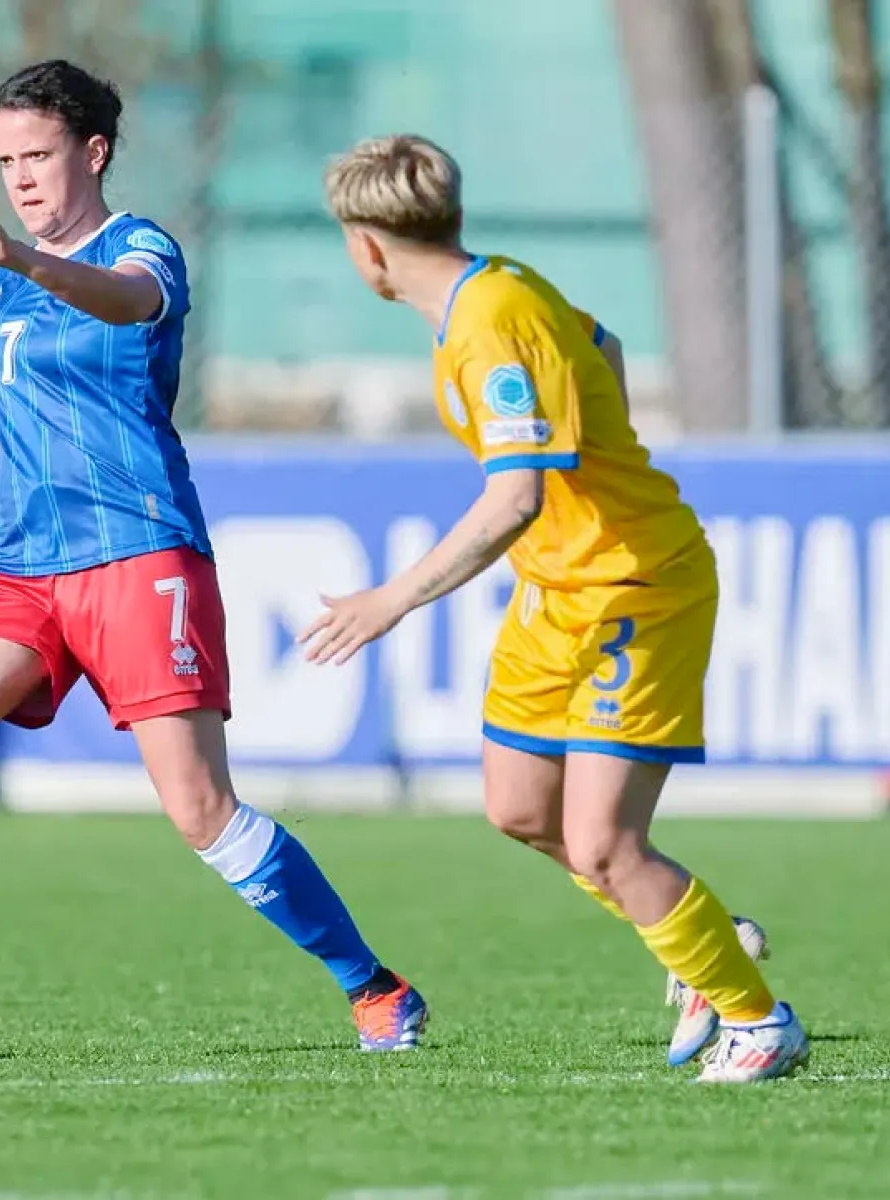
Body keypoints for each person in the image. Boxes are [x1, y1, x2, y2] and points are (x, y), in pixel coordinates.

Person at [0, 61, 427, 1052]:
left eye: (38, 155)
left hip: (136, 552)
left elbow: (125, 303)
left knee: (201, 810)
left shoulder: (138, 248)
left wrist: (16, 262)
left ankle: (373, 986)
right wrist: (11, 264)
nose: (21, 178)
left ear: (94, 150)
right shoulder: (12, 279)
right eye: (5, 160)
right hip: (21, 561)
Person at [303, 134, 808, 1083]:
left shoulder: (491, 318)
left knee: (604, 842)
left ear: (368, 246)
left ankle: (758, 1020)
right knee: (519, 805)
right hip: (559, 590)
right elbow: (602, 346)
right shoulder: (498, 287)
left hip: (632, 587)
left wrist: (390, 602)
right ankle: (693, 937)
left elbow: (516, 497)